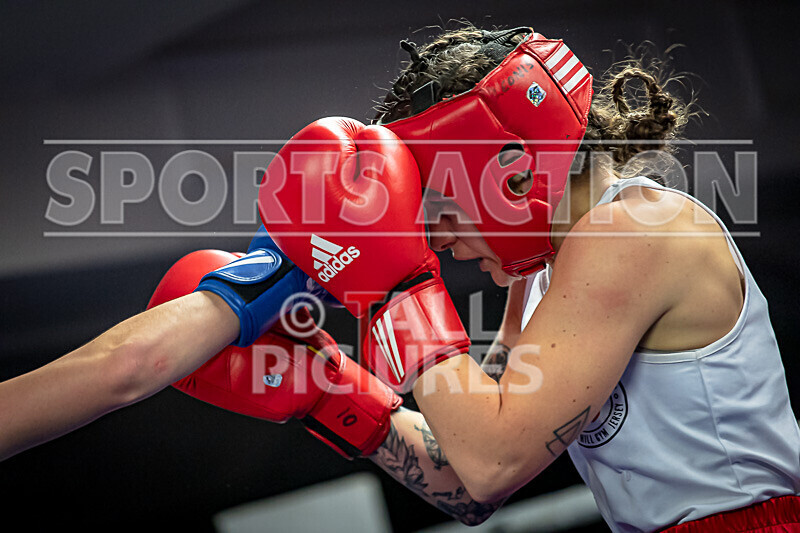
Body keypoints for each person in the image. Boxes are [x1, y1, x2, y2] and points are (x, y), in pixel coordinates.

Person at [2, 24, 798, 533]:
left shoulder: (635, 230)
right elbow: (471, 484)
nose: (441, 240)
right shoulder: (542, 277)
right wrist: (329, 389)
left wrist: (392, 287)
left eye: (442, 207)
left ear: (513, 173)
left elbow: (490, 457)